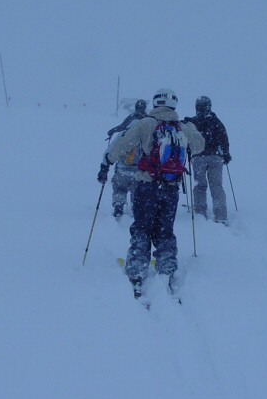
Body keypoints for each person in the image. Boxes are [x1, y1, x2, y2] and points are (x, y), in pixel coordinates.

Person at [99, 88, 204, 298]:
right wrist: (191, 128)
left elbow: (122, 144)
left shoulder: (146, 123)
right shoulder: (181, 126)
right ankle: (167, 268)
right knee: (165, 230)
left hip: (147, 186)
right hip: (171, 188)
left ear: (155, 103)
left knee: (142, 228)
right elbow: (200, 146)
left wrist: (106, 162)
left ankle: (137, 270)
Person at [184, 95, 231, 224]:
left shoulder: (192, 122)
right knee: (216, 186)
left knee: (200, 185)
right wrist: (226, 154)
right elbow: (224, 139)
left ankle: (200, 214)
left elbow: (187, 138)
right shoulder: (217, 121)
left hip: (198, 157)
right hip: (216, 157)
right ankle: (221, 215)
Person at [99, 123, 141, 218]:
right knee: (137, 191)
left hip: (122, 169)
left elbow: (111, 151)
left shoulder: (123, 134)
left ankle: (118, 205)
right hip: (139, 171)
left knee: (119, 188)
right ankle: (136, 207)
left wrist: (104, 168)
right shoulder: (145, 134)